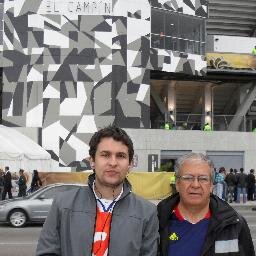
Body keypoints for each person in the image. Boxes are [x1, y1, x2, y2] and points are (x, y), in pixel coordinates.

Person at [36, 125, 159, 256]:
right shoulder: (63, 204)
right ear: (92, 161)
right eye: (105, 155)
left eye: (121, 156)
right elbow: (46, 252)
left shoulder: (147, 212)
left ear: (130, 164)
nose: (113, 162)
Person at [157, 153, 255, 256]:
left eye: (203, 179)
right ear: (177, 184)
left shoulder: (234, 224)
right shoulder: (156, 221)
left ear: (211, 185)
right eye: (188, 178)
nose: (195, 185)